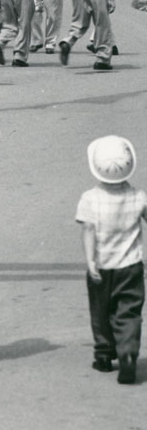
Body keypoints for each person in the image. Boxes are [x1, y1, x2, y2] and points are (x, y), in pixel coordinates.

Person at [76, 135, 146, 385]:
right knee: (129, 312)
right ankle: (128, 352)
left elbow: (88, 230)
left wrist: (91, 261)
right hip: (131, 266)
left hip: (102, 268)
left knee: (101, 312)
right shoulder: (139, 197)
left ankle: (104, 355)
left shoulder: (89, 198)